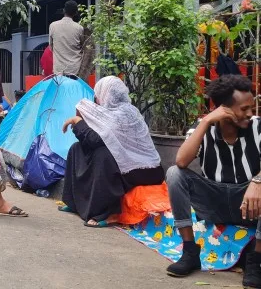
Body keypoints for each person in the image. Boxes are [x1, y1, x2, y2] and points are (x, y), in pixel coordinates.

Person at [165, 75, 261, 287]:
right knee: (174, 173)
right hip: (213, 201)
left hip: (249, 205)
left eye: (252, 108)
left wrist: (257, 181)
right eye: (244, 109)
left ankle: (255, 261)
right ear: (224, 109)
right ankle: (190, 252)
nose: (250, 114)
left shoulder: (258, 127)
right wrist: (207, 121)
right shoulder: (202, 127)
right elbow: (181, 161)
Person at [61, 76, 164, 227]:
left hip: (146, 171)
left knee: (103, 156)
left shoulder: (124, 114)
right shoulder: (110, 113)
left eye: (98, 95)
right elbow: (94, 140)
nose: (96, 99)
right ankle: (74, 202)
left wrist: (77, 122)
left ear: (106, 95)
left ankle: (108, 213)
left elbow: (95, 140)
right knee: (77, 149)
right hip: (131, 166)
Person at [49, 0, 85, 76]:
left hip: (59, 70)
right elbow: (83, 47)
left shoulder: (53, 26)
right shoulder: (79, 28)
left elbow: (51, 47)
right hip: (75, 70)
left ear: (63, 10)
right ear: (75, 13)